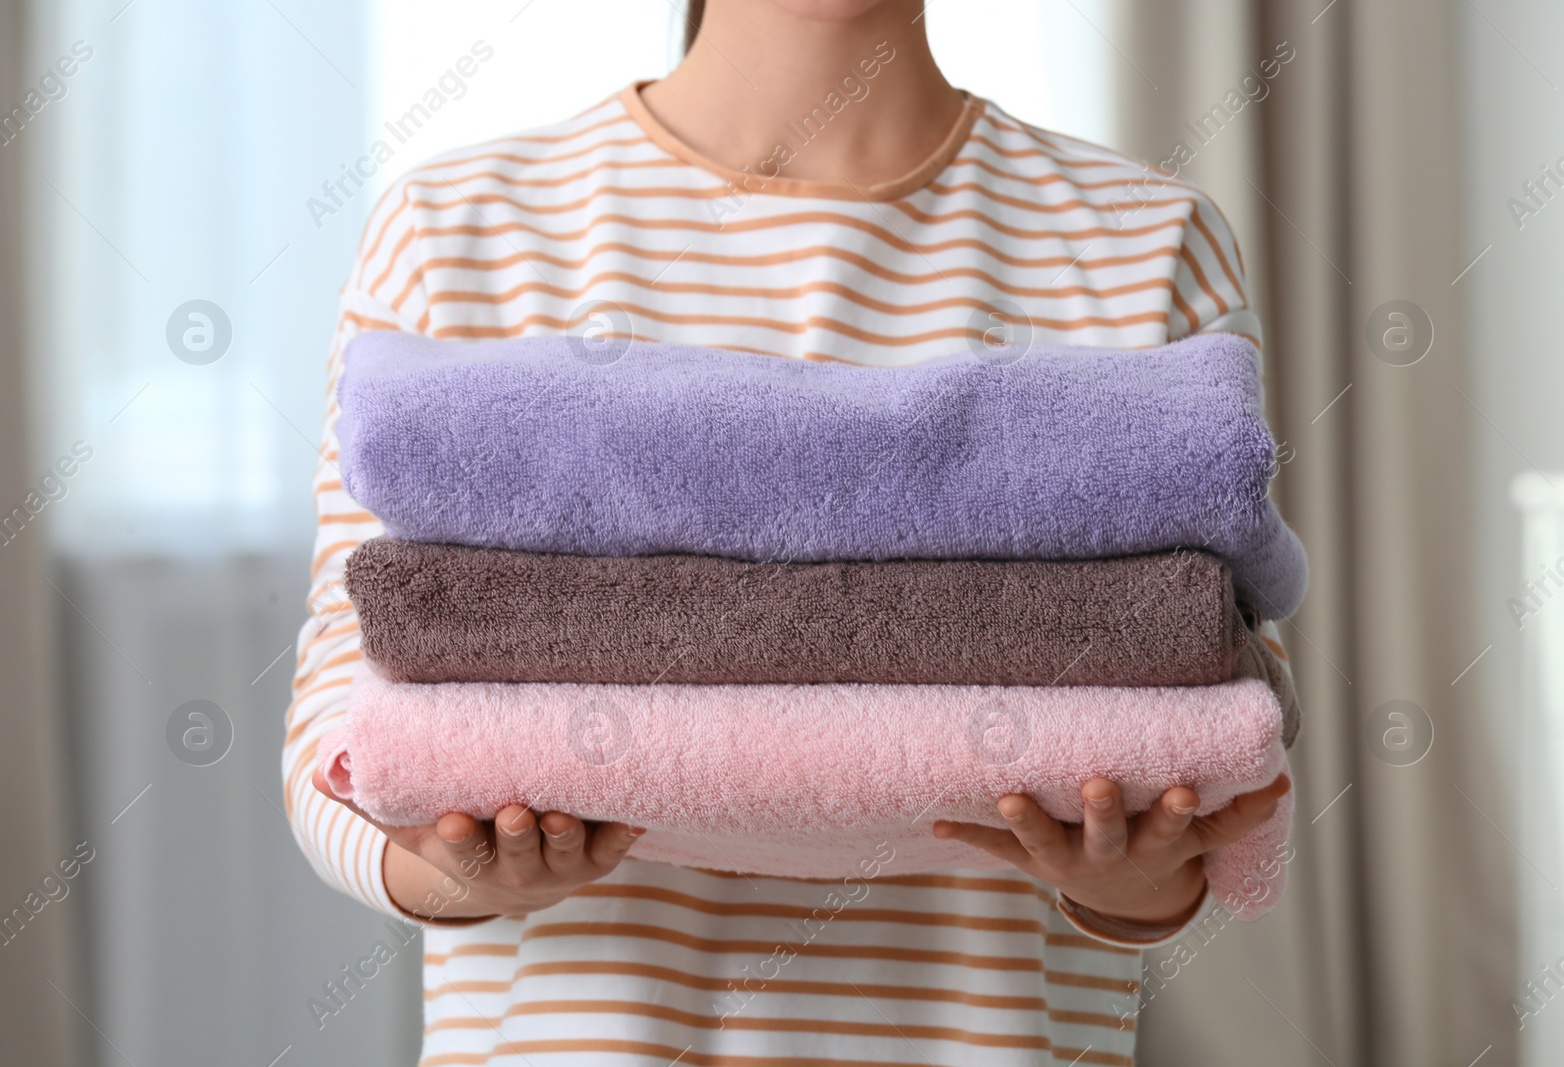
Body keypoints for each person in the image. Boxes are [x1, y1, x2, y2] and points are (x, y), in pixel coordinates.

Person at [287, 1, 1292, 1062]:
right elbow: (341, 738)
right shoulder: (461, 229)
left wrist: (1136, 880)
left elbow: (1224, 705)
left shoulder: (1146, 238)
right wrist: (455, 867)